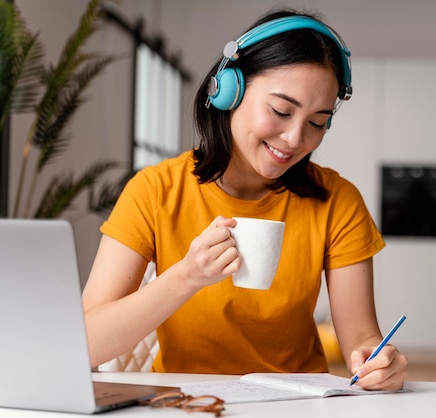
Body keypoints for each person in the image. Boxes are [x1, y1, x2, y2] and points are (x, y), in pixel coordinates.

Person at [82, 7, 407, 391]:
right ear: (228, 91)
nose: (294, 139)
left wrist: (380, 363)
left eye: (317, 122)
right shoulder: (154, 191)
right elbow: (84, 345)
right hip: (187, 402)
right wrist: (188, 276)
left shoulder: (338, 201)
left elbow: (362, 340)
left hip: (299, 405)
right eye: (280, 111)